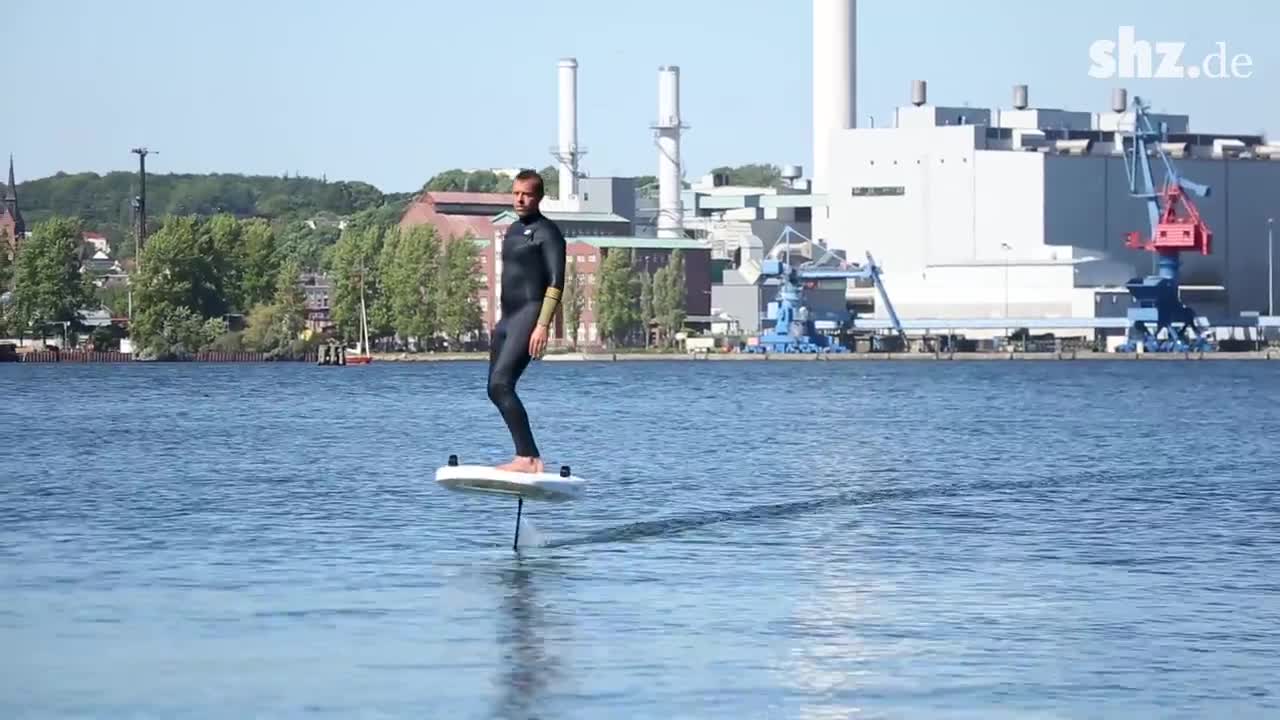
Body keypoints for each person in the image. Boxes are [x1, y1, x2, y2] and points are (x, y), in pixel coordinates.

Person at [487, 168, 566, 474]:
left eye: (527, 194)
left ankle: (529, 458)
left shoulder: (548, 233)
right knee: (494, 389)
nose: (520, 199)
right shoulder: (512, 231)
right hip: (507, 318)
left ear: (539, 197)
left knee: (501, 383)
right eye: (516, 193)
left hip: (530, 314)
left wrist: (543, 325)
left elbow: (557, 283)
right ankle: (525, 455)